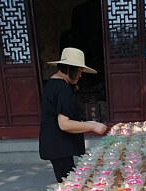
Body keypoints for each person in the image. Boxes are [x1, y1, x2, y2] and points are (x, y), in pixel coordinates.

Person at [39, 47, 107, 182]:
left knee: (68, 182)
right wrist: (92, 127)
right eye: (80, 71)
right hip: (59, 146)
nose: (81, 76)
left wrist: (88, 123)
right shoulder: (62, 88)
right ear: (71, 69)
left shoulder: (52, 84)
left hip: (55, 145)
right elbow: (64, 124)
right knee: (69, 186)